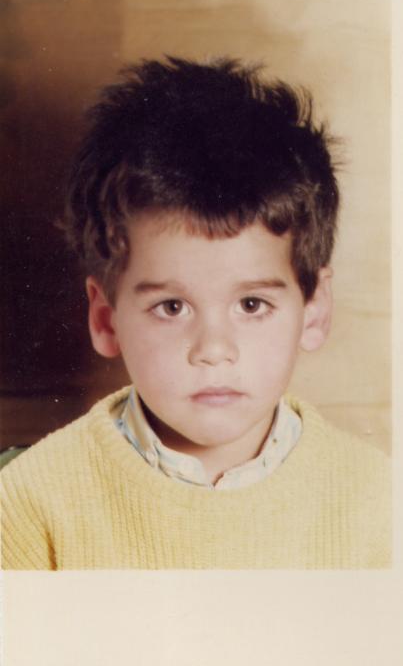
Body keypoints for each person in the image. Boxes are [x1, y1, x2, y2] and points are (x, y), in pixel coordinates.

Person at [1, 56, 391, 569]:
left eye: (251, 304)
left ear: (313, 310)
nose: (213, 350)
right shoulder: (29, 503)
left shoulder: (379, 503)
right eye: (172, 307)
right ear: (106, 319)